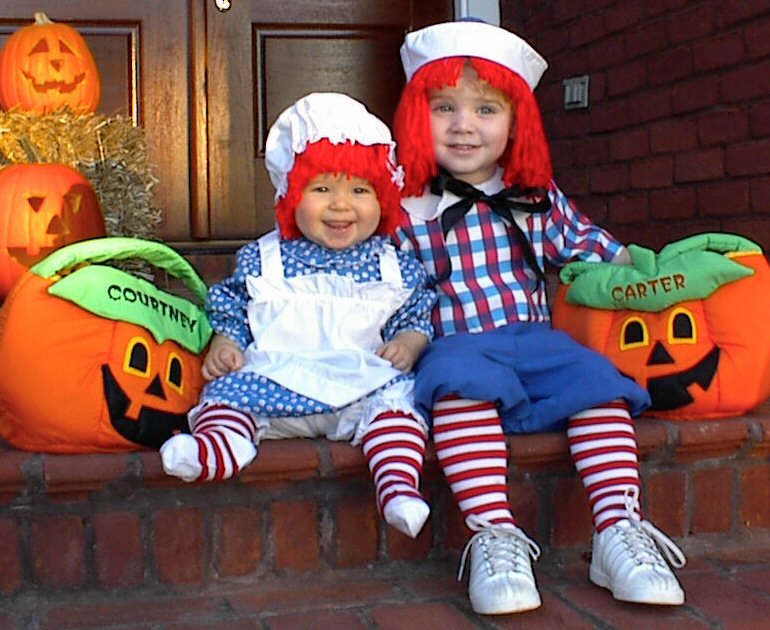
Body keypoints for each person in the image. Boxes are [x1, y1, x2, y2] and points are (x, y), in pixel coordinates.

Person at [391, 19, 687, 615]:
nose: (464, 124)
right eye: (444, 107)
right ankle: (494, 533)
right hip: (455, 343)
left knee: (598, 383)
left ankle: (617, 529)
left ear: (515, 122)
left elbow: (595, 250)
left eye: (486, 109)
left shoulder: (535, 196)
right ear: (416, 117)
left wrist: (658, 273)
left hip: (536, 341)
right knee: (456, 386)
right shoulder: (402, 203)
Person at [161, 92, 437, 539]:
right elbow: (232, 306)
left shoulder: (394, 266)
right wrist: (226, 343)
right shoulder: (264, 259)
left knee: (398, 410)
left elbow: (417, 314)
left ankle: (397, 485)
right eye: (322, 189)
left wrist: (409, 342)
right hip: (274, 382)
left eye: (360, 190)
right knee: (225, 398)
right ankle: (216, 449)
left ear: (384, 198)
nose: (341, 205)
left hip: (361, 385)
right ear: (291, 196)